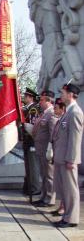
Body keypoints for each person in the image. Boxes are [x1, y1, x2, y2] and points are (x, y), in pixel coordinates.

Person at [52, 83, 83, 228]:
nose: (61, 95)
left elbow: (75, 139)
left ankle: (71, 219)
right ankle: (66, 216)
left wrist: (71, 159)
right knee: (65, 189)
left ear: (70, 94)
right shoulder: (68, 112)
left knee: (71, 190)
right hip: (61, 158)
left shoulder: (75, 112)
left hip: (67, 159)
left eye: (63, 93)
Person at [32, 90, 57, 207]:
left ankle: (50, 198)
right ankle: (43, 196)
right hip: (41, 149)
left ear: (48, 100)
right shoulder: (44, 113)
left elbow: (53, 133)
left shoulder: (51, 113)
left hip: (47, 150)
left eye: (41, 100)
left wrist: (51, 149)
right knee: (43, 174)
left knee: (49, 175)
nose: (39, 102)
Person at [22, 88, 41, 196]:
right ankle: (29, 186)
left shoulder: (33, 109)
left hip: (31, 141)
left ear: (30, 97)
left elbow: (33, 127)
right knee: (29, 166)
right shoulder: (27, 109)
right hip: (27, 141)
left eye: (26, 96)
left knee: (33, 166)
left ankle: (35, 188)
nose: (24, 98)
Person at [51, 98, 66, 217]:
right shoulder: (59, 120)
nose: (54, 109)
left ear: (62, 109)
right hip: (58, 155)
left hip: (64, 157)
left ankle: (64, 207)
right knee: (60, 183)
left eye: (56, 108)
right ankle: (61, 206)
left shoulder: (65, 120)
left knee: (65, 184)